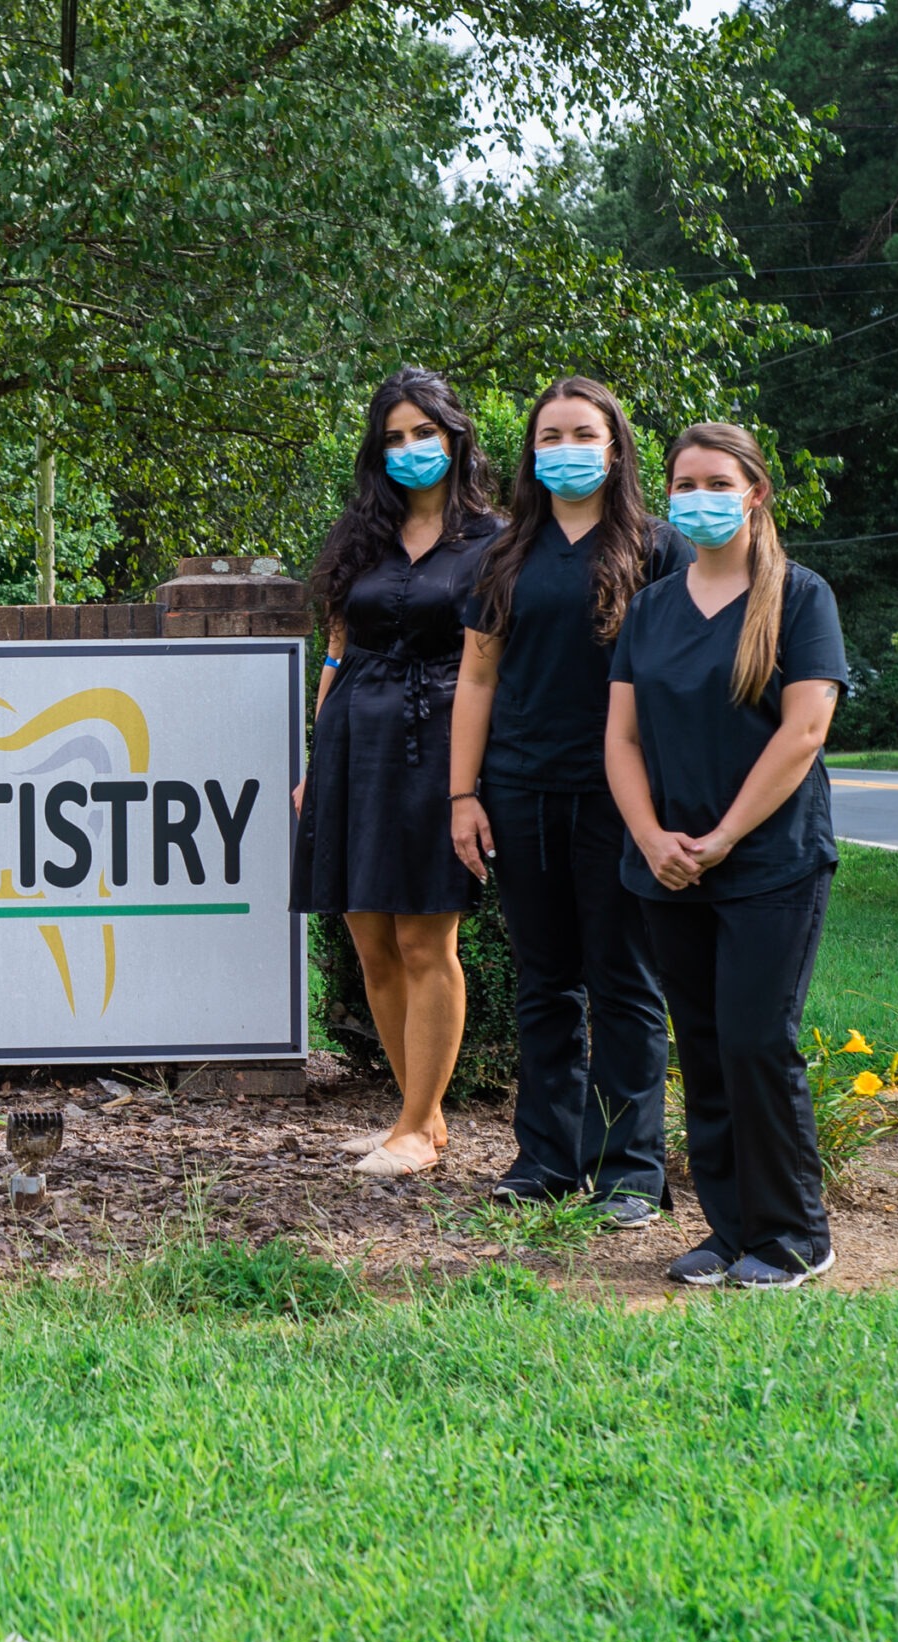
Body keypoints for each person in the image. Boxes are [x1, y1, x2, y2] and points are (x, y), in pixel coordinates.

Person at [608, 422, 848, 1290]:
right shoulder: (652, 607)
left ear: (754, 493)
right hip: (668, 869)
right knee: (704, 1048)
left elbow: (805, 731)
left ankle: (795, 1237)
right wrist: (651, 838)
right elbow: (621, 740)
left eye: (716, 483)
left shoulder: (801, 598)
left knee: (756, 1042)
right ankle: (730, 1229)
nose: (697, 499)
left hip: (770, 865)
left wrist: (722, 837)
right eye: (684, 484)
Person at [449, 377, 691, 1225]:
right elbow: (476, 677)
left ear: (616, 446)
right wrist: (461, 795)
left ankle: (631, 1172)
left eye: (582, 433)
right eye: (548, 436)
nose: (565, 450)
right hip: (519, 791)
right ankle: (546, 1159)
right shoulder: (503, 556)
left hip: (623, 801)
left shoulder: (660, 551)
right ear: (530, 453)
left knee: (623, 984)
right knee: (546, 986)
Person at [291, 367, 502, 1178]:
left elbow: (490, 670)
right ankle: (420, 1118)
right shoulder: (360, 538)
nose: (411, 450)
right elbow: (337, 653)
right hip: (353, 744)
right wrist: (317, 763)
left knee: (424, 937)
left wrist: (471, 784)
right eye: (394, 438)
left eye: (424, 433)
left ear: (456, 436)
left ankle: (416, 1128)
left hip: (440, 747)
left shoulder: (494, 541)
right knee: (369, 939)